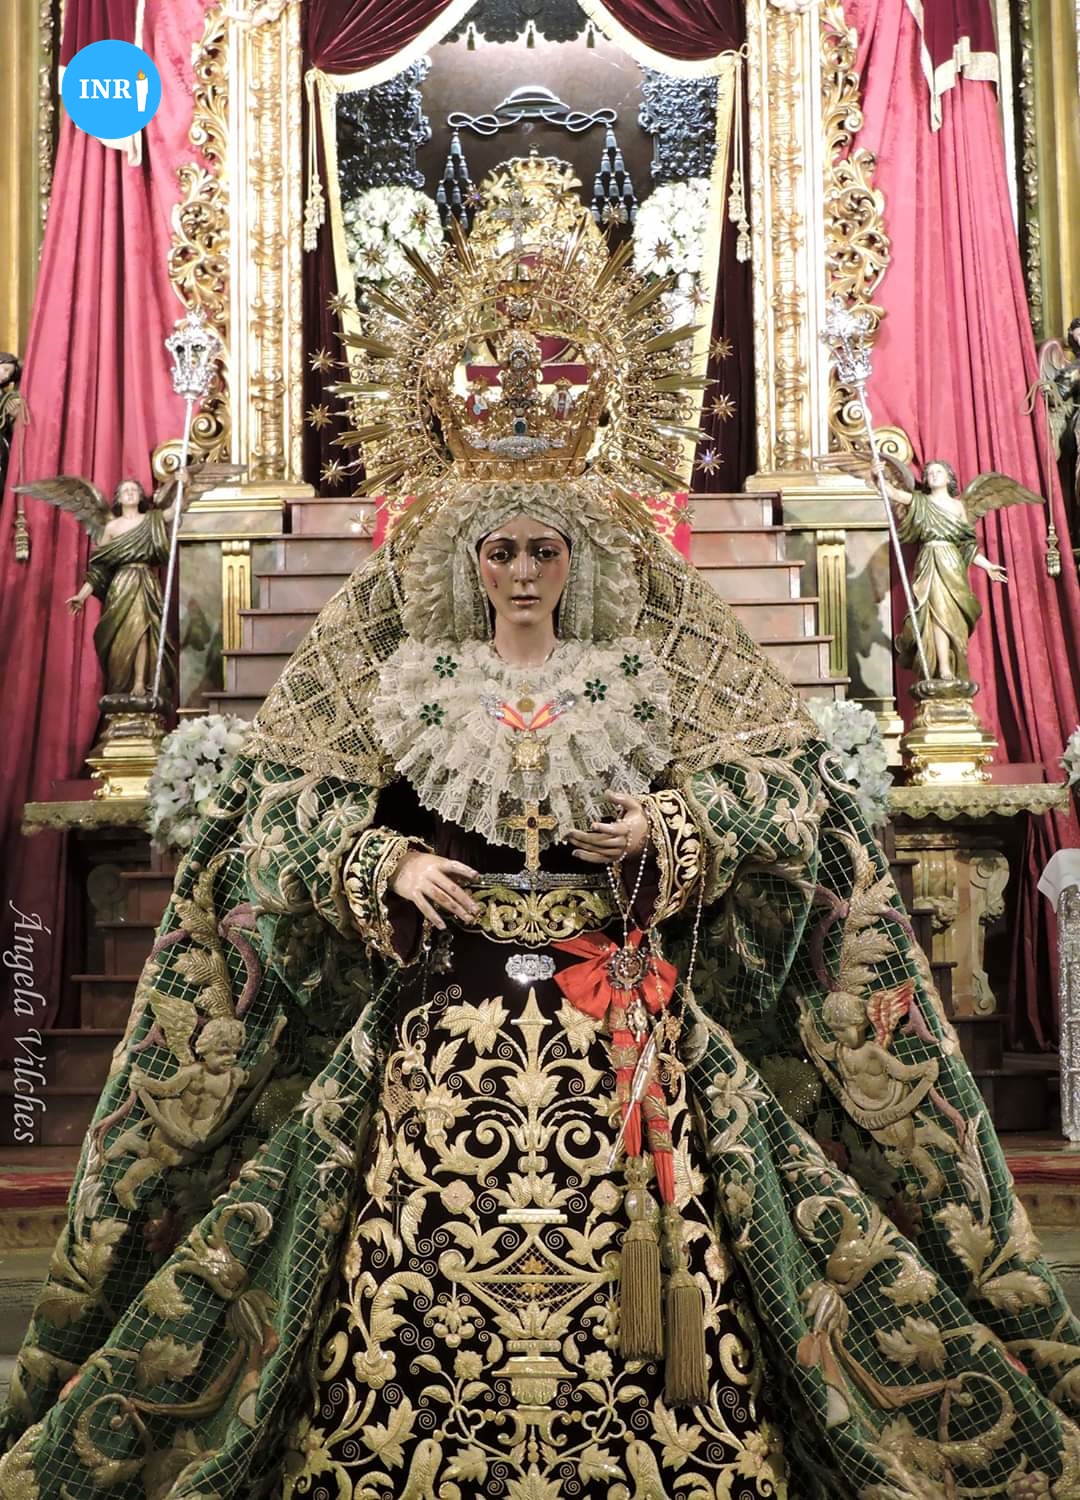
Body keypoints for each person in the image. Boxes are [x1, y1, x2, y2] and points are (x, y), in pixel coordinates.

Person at [2, 175, 1079, 1500]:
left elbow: (787, 788)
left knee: (674, 1214)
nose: (521, 571)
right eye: (501, 550)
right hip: (439, 1003)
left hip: (616, 999)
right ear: (469, 549)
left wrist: (676, 827)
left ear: (580, 550)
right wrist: (380, 860)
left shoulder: (656, 617)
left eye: (544, 550)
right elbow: (271, 803)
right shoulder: (389, 618)